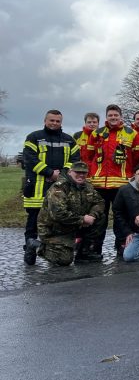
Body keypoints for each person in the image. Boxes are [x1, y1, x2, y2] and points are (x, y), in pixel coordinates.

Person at [22, 109, 79, 265]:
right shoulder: (33, 137)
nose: (54, 123)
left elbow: (74, 159)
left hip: (61, 187)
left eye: (57, 121)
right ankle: (30, 249)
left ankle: (53, 252)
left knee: (57, 222)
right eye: (51, 120)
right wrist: (48, 172)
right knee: (33, 222)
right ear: (45, 121)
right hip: (37, 187)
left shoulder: (69, 140)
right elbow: (30, 159)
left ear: (61, 122)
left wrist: (61, 174)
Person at [83, 104, 137, 255]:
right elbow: (88, 156)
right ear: (106, 117)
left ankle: (121, 246)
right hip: (99, 184)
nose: (113, 118)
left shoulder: (131, 133)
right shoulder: (97, 133)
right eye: (110, 115)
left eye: (116, 115)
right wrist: (90, 175)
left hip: (121, 184)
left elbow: (137, 157)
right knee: (99, 217)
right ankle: (95, 247)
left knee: (121, 217)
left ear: (120, 116)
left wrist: (132, 174)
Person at [35, 161, 103, 266]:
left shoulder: (88, 186)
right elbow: (59, 214)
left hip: (74, 226)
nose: (81, 175)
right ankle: (36, 246)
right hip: (54, 230)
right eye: (78, 172)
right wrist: (82, 220)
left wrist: (92, 215)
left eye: (84, 173)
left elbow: (99, 202)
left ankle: (84, 251)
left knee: (100, 217)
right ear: (70, 172)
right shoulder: (59, 188)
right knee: (64, 260)